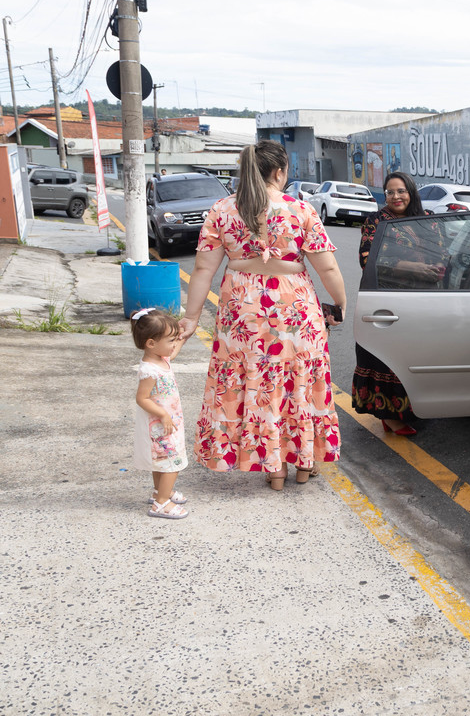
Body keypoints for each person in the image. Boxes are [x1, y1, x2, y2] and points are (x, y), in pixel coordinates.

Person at [178, 140, 346, 490]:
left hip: (243, 311)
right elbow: (328, 268)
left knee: (255, 383)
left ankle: (274, 468)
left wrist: (191, 318)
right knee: (299, 382)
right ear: (280, 172)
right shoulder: (300, 210)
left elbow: (203, 270)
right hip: (295, 309)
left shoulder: (222, 210)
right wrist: (340, 303)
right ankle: (304, 461)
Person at [352, 171, 442, 436]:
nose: (395, 197)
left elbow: (443, 251)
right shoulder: (376, 221)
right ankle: (388, 416)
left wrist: (438, 267)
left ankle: (413, 409)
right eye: (390, 192)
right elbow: (367, 259)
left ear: (411, 192)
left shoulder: (428, 219)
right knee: (387, 357)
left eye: (401, 191)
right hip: (387, 298)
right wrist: (412, 267)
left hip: (424, 298)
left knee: (415, 355)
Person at [131, 307, 189, 519]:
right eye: (171, 340)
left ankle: (160, 492)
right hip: (160, 424)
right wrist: (163, 415)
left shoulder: (160, 358)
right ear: (151, 343)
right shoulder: (149, 370)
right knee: (173, 462)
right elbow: (142, 398)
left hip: (169, 422)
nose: (174, 344)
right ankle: (162, 503)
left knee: (162, 461)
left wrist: (184, 336)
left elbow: (173, 352)